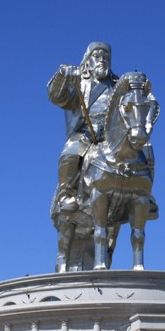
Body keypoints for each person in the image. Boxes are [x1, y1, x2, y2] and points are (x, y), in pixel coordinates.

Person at [47, 42, 118, 212]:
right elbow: (56, 96)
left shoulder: (117, 85)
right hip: (85, 131)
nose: (102, 60)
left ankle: (143, 193)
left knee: (141, 149)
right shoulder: (79, 82)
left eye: (106, 57)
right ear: (88, 61)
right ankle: (65, 194)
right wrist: (62, 74)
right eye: (97, 56)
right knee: (71, 151)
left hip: (112, 136)